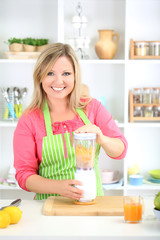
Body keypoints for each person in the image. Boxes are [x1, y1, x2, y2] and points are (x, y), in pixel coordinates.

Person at [13, 43, 128, 200]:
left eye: (66, 73)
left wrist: (102, 138)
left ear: (75, 76)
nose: (59, 81)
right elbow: (24, 175)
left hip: (90, 203)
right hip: (48, 206)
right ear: (40, 77)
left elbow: (121, 150)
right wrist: (58, 187)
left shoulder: (93, 107)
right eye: (50, 73)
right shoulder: (29, 119)